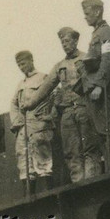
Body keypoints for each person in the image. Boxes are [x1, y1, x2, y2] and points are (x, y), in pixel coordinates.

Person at [41, 27, 101, 182]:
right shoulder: (59, 66)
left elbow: (99, 77)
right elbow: (46, 86)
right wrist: (31, 101)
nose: (64, 44)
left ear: (75, 41)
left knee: (90, 147)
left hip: (84, 108)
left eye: (67, 41)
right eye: (62, 42)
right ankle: (79, 182)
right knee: (71, 150)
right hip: (67, 112)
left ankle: (92, 182)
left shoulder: (86, 58)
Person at [80, 0, 110, 170]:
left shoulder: (107, 33)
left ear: (97, 12)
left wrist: (99, 85)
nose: (85, 17)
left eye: (87, 13)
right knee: (100, 131)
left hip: (102, 90)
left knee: (107, 128)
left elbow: (108, 60)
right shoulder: (97, 33)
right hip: (93, 90)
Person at [8, 50, 54, 193]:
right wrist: (17, 122)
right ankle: (29, 196)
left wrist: (49, 116)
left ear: (31, 61)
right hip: (24, 127)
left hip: (39, 124)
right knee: (24, 160)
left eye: (23, 63)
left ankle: (48, 193)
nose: (21, 67)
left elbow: (54, 97)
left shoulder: (43, 78)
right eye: (19, 65)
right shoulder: (21, 84)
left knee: (43, 159)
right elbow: (14, 104)